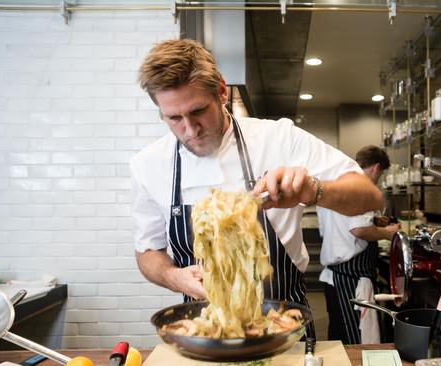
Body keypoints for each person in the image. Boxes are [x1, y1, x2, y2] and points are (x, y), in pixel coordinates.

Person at [130, 39, 383, 338]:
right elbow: (147, 251)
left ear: (222, 91)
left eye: (198, 110)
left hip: (284, 326)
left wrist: (312, 191)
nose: (190, 129)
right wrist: (175, 277)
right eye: (174, 118)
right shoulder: (149, 164)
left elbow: (369, 195)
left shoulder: (279, 138)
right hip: (206, 331)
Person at [317, 145, 400, 344]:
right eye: (379, 175)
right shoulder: (361, 187)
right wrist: (388, 234)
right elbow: (358, 230)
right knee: (357, 340)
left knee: (338, 337)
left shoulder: (336, 183)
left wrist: (374, 222)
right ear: (376, 168)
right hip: (350, 278)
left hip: (334, 276)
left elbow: (347, 224)